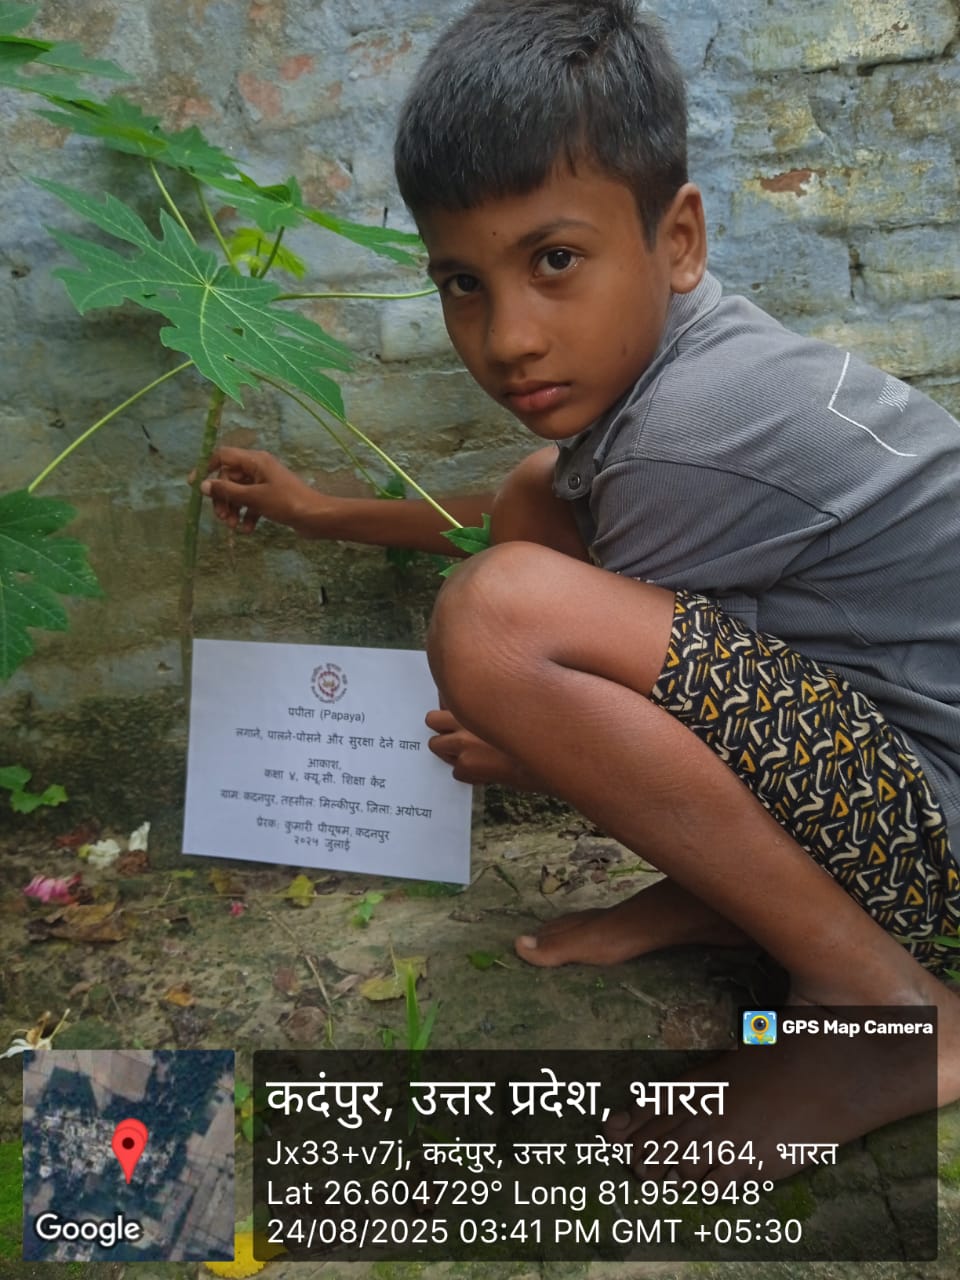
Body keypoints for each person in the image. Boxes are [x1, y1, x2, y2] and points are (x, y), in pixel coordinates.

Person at [201, 0, 960, 1169]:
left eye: (555, 261)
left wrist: (529, 739)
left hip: (934, 822)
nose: (508, 338)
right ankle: (732, 899)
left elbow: (555, 645)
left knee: (498, 618)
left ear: (680, 239)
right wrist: (321, 509)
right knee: (533, 500)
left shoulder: (683, 434)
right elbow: (554, 545)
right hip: (884, 756)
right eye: (463, 282)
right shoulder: (684, 366)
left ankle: (883, 1006)